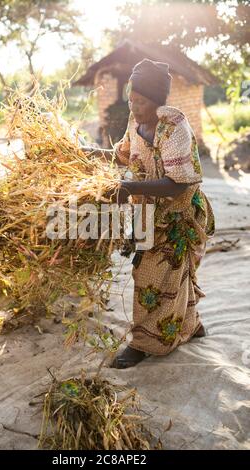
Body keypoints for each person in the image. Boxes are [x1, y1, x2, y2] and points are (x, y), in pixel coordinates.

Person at [84, 59, 215, 368]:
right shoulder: (135, 122)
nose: (134, 105)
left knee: (153, 275)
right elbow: (122, 156)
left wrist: (128, 188)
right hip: (147, 213)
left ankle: (145, 343)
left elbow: (176, 185)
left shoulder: (174, 128)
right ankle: (191, 324)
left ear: (158, 101)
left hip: (177, 216)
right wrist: (86, 153)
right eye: (131, 97)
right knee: (168, 275)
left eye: (140, 101)